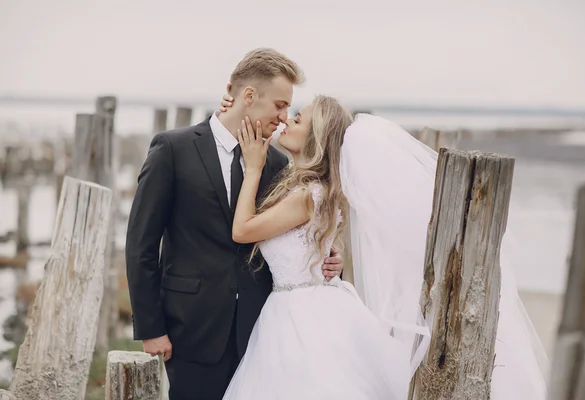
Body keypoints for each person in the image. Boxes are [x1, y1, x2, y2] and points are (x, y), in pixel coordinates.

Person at [218, 94, 549, 399]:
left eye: (298, 119)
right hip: (309, 306)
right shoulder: (319, 190)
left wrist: (255, 166)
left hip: (300, 316)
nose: (287, 121)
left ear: (316, 138)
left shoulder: (308, 195)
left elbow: (244, 230)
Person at [125, 48, 344, 400]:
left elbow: (295, 231)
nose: (284, 117)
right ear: (248, 96)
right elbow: (141, 245)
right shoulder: (173, 149)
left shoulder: (276, 164)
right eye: (279, 105)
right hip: (191, 328)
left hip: (262, 332)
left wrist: (329, 256)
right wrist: (151, 328)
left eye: (289, 108)